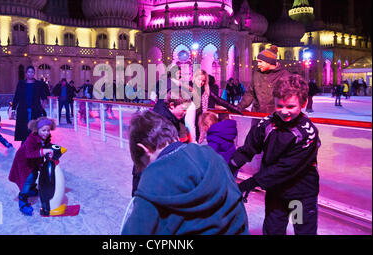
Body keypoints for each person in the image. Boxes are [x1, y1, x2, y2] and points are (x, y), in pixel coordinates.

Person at [121, 110, 249, 235]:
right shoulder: (212, 155)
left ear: (144, 149)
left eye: (143, 163)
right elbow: (238, 207)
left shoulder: (154, 178)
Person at [228, 74, 321, 235]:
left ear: (303, 103)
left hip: (299, 195)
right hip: (276, 193)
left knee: (302, 230)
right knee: (273, 230)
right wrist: (230, 167)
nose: (284, 112)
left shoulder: (307, 133)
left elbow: (285, 168)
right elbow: (249, 148)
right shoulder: (267, 123)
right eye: (280, 106)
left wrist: (249, 183)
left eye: (291, 107)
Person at [131, 90, 192, 196]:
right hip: (148, 171)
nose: (185, 112)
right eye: (184, 109)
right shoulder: (160, 122)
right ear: (172, 105)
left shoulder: (170, 117)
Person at [8, 117, 56, 216]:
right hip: (23, 162)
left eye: (48, 130)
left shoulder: (45, 138)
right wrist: (44, 151)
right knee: (28, 178)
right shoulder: (31, 139)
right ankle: (23, 198)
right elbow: (29, 154)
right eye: (43, 130)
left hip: (33, 161)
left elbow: (46, 145)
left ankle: (31, 189)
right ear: (37, 130)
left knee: (34, 174)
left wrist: (52, 149)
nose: (46, 133)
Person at [237, 45, 290, 123]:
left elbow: (288, 97)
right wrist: (239, 107)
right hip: (257, 115)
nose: (258, 64)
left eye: (260, 62)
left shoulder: (284, 75)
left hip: (274, 118)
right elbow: (250, 93)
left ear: (269, 61)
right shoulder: (257, 74)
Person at [11, 66, 48, 142]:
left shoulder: (38, 84)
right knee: (24, 128)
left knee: (34, 128)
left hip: (35, 109)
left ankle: (34, 144)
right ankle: (24, 144)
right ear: (26, 73)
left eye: (32, 72)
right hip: (23, 109)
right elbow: (17, 96)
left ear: (34, 73)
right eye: (29, 72)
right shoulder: (21, 83)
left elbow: (44, 96)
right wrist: (13, 109)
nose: (30, 74)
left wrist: (43, 105)